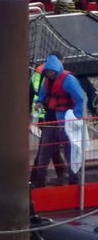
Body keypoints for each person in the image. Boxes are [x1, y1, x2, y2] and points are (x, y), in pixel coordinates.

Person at [34, 54, 86, 186]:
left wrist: (76, 116)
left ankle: (74, 182)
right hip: (50, 123)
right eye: (47, 72)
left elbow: (81, 98)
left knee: (70, 153)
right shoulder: (47, 81)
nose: (49, 74)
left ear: (56, 69)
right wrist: (39, 102)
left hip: (66, 123)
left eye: (51, 71)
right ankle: (39, 183)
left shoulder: (69, 80)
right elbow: (42, 95)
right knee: (44, 154)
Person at [29, 52, 67, 187]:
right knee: (45, 148)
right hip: (49, 116)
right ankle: (37, 177)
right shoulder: (55, 76)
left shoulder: (37, 73)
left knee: (51, 146)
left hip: (42, 116)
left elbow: (31, 94)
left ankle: (59, 172)